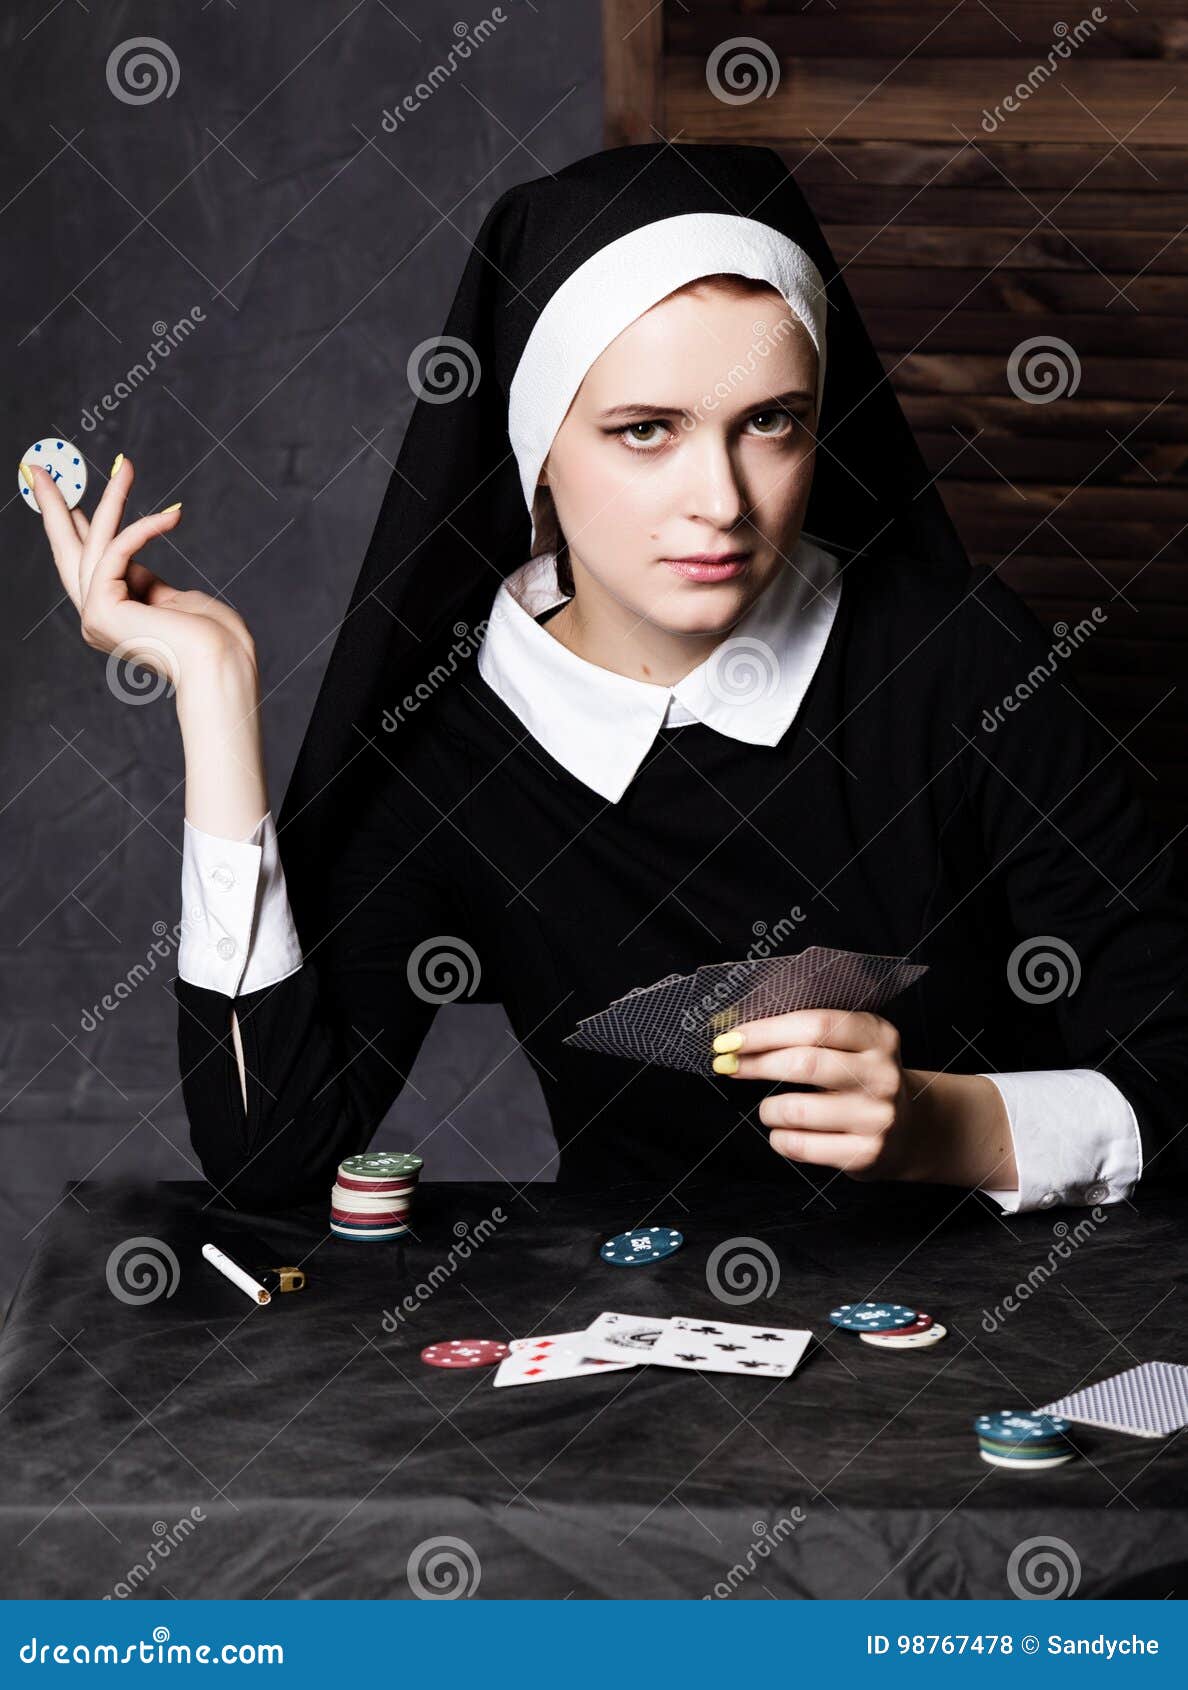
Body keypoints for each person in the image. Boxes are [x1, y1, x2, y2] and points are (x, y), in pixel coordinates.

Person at [26, 143, 1188, 1214]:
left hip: (986, 1352)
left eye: (770, 422)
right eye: (645, 430)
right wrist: (217, 698)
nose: (722, 501)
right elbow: (272, 1156)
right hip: (629, 1376)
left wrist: (955, 1124)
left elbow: (1175, 1062)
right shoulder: (450, 735)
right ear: (538, 453)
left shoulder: (959, 660)